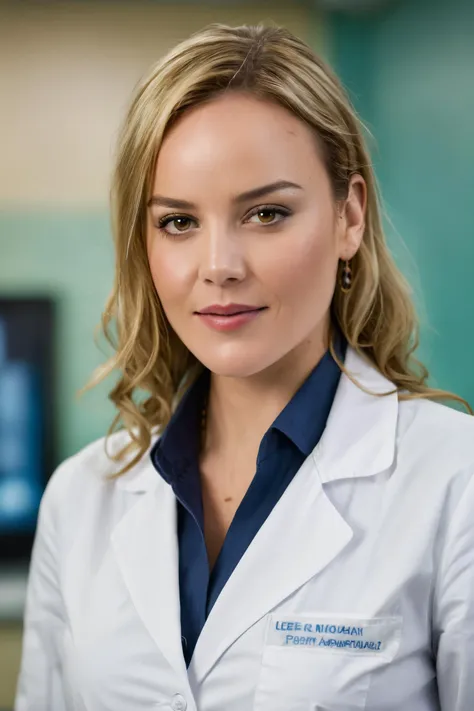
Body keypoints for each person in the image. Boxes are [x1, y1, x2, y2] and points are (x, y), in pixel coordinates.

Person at [15, 22, 474, 711]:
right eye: (178, 222)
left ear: (349, 216)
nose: (220, 267)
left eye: (265, 212)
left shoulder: (454, 483)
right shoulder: (80, 498)